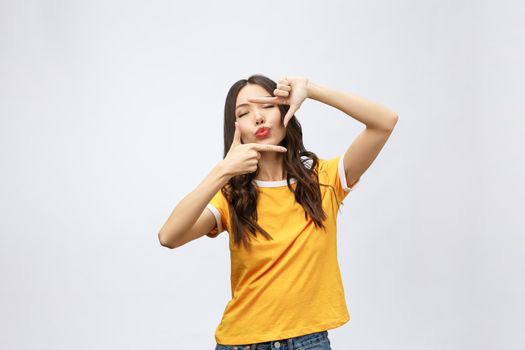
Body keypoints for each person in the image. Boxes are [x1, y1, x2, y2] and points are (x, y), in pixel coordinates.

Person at [158, 74, 399, 349]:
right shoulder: (230, 196)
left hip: (310, 343)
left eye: (268, 105)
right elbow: (169, 236)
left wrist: (310, 90)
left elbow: (385, 122)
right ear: (235, 128)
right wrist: (223, 170)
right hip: (243, 343)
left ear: (285, 109)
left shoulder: (324, 180)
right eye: (244, 113)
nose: (258, 117)